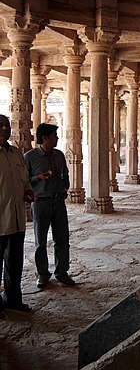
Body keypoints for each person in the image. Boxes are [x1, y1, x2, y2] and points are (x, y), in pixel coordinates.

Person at [24, 123, 75, 288]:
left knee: (62, 239)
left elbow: (65, 175)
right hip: (41, 203)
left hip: (58, 201)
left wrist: (65, 187)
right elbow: (24, 182)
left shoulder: (59, 155)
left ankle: (62, 272)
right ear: (45, 138)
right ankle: (42, 274)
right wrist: (38, 178)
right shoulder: (30, 157)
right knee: (41, 241)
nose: (57, 138)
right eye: (54, 136)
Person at [0, 114, 34, 315]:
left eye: (6, 126)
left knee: (14, 262)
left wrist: (28, 190)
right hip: (0, 220)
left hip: (16, 218)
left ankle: (13, 299)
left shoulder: (15, 153)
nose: (4, 129)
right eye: (0, 126)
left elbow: (24, 180)